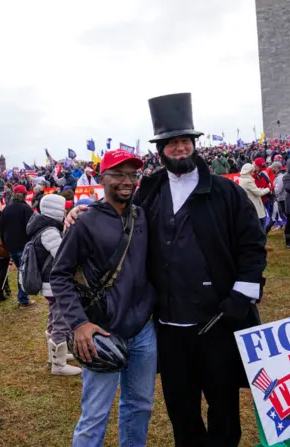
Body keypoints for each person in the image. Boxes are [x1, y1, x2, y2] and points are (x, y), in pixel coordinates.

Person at [66, 93, 267, 446]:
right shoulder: (149, 190)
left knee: (223, 408)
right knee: (181, 411)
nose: (178, 148)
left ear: (194, 144)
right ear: (160, 149)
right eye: (171, 143)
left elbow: (252, 246)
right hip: (169, 327)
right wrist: (81, 211)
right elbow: (117, 212)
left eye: (184, 141)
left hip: (217, 321)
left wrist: (241, 294)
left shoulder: (226, 192)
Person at [51, 149, 157, 446]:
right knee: (95, 415)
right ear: (102, 179)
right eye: (118, 174)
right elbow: (60, 275)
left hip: (142, 330)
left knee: (140, 406)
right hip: (101, 332)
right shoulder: (84, 222)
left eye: (132, 174)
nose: (127, 181)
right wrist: (79, 324)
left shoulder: (143, 216)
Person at [25, 193, 81, 376]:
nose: (65, 211)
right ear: (56, 210)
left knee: (54, 317)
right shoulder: (49, 231)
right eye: (63, 208)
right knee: (61, 320)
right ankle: (58, 363)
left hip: (49, 283)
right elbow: (62, 256)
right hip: (53, 283)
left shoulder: (42, 227)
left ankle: (55, 353)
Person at [0, 185, 35, 307]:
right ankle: (23, 298)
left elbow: (2, 229)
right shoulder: (26, 208)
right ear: (24, 195)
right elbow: (32, 227)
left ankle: (23, 297)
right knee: (23, 272)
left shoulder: (6, 209)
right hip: (23, 245)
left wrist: (6, 245)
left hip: (11, 246)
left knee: (22, 271)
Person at [239, 163, 270, 228]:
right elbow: (258, 193)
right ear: (248, 172)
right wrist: (268, 189)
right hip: (255, 207)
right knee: (261, 226)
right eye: (252, 172)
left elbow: (253, 190)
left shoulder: (243, 179)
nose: (253, 173)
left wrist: (261, 189)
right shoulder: (248, 181)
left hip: (251, 206)